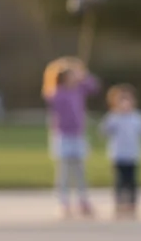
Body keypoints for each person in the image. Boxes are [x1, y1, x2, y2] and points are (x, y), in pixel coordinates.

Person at [42, 57, 101, 219]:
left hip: (78, 136)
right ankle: (64, 202)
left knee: (80, 170)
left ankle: (83, 201)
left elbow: (94, 86)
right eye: (72, 74)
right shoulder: (57, 93)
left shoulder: (80, 90)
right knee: (64, 171)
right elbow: (49, 95)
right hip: (62, 136)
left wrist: (85, 74)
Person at [100, 84, 141, 219]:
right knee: (120, 180)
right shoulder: (113, 117)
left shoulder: (137, 116)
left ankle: (132, 202)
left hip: (133, 154)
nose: (125, 104)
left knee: (132, 180)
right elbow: (104, 131)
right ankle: (119, 201)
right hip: (118, 154)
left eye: (128, 100)